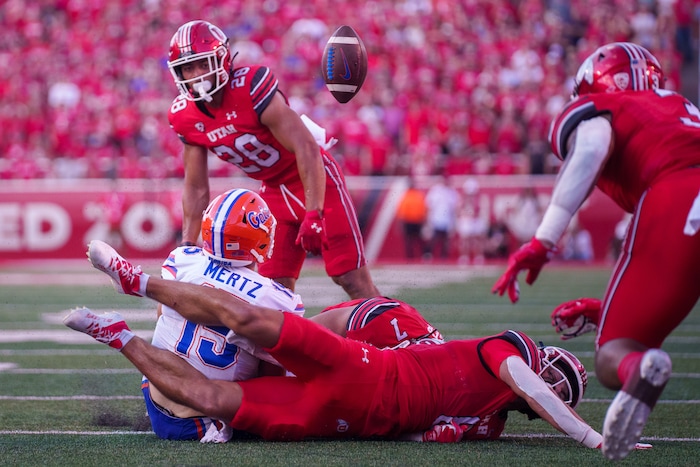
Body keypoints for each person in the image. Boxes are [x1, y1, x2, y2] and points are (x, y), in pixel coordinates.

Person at [67, 240, 608, 448]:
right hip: (366, 369)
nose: (552, 387)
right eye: (556, 378)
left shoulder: (490, 422)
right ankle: (138, 282)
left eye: (561, 390)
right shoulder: (503, 352)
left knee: (215, 401)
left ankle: (117, 336)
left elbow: (429, 433)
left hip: (352, 418)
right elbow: (529, 384)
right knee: (253, 322)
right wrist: (592, 439)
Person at [491, 42, 700, 460]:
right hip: (683, 197)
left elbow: (589, 147)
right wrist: (605, 308)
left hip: (680, 193)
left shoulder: (599, 107)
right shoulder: (679, 107)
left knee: (613, 352)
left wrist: (543, 239)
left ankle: (636, 373)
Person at [166, 20, 379, 299]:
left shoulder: (250, 87)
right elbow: (195, 187)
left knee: (351, 279)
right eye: (188, 68)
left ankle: (402, 338)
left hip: (312, 178)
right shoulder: (184, 116)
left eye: (203, 64)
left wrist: (314, 212)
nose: (196, 74)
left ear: (222, 59)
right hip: (272, 191)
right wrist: (186, 243)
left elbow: (306, 147)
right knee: (273, 292)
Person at [143, 188, 306, 442]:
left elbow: (162, 313)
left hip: (156, 391)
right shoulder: (274, 297)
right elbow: (272, 372)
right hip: (205, 418)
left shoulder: (182, 260)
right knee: (282, 359)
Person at [395, 179, 428, 259]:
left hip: (414, 221)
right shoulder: (413, 195)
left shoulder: (411, 196)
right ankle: (412, 256)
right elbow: (402, 211)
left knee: (414, 240)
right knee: (412, 240)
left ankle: (415, 256)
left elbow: (401, 211)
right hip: (411, 221)